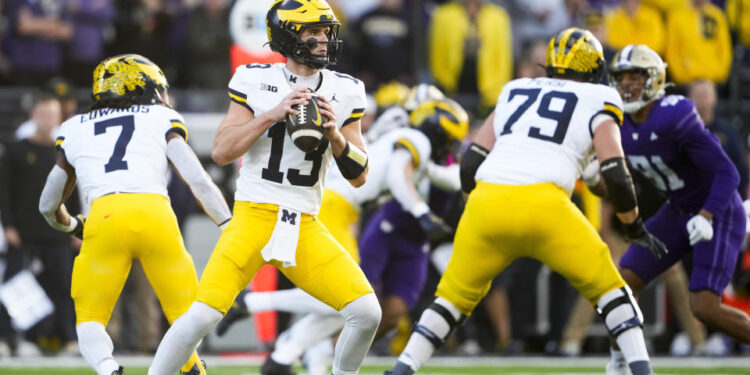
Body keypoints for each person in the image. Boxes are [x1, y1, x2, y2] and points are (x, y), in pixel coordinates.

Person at [385, 27, 666, 375]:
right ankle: (640, 370)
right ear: (595, 69)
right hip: (547, 205)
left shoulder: (516, 89)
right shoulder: (599, 97)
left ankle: (402, 369)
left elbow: (471, 160)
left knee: (450, 301)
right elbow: (617, 174)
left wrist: (480, 203)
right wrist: (633, 224)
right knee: (613, 293)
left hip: (487, 201)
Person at [148, 1, 381, 375]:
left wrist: (335, 135)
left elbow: (360, 175)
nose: (323, 40)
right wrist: (272, 114)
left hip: (305, 221)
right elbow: (223, 151)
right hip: (254, 216)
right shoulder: (254, 78)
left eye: (326, 32)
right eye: (313, 32)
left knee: (366, 312)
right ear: (289, 35)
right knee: (202, 316)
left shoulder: (346, 89)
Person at [38, 54, 232, 375]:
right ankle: (189, 364)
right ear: (140, 87)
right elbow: (197, 178)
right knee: (186, 317)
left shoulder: (73, 128)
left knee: (90, 320)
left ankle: (107, 368)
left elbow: (47, 203)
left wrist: (73, 226)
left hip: (103, 218)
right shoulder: (159, 117)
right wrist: (229, 225)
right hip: (156, 214)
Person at [601, 44, 750, 365]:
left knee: (705, 308)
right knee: (622, 284)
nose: (626, 85)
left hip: (718, 209)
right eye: (621, 78)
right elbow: (610, 184)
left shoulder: (674, 114)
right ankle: (619, 363)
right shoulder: (617, 124)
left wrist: (707, 215)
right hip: (678, 208)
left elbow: (727, 172)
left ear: (653, 80)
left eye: (634, 78)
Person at [0, 93, 77, 357]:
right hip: (23, 234)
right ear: (33, 116)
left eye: (52, 115)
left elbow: (73, 192)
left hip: (57, 234)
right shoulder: (15, 150)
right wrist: (8, 226)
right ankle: (8, 338)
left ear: (59, 118)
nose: (47, 120)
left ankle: (63, 339)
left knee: (63, 287)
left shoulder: (65, 152)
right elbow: (5, 192)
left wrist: (76, 227)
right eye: (43, 114)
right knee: (12, 286)